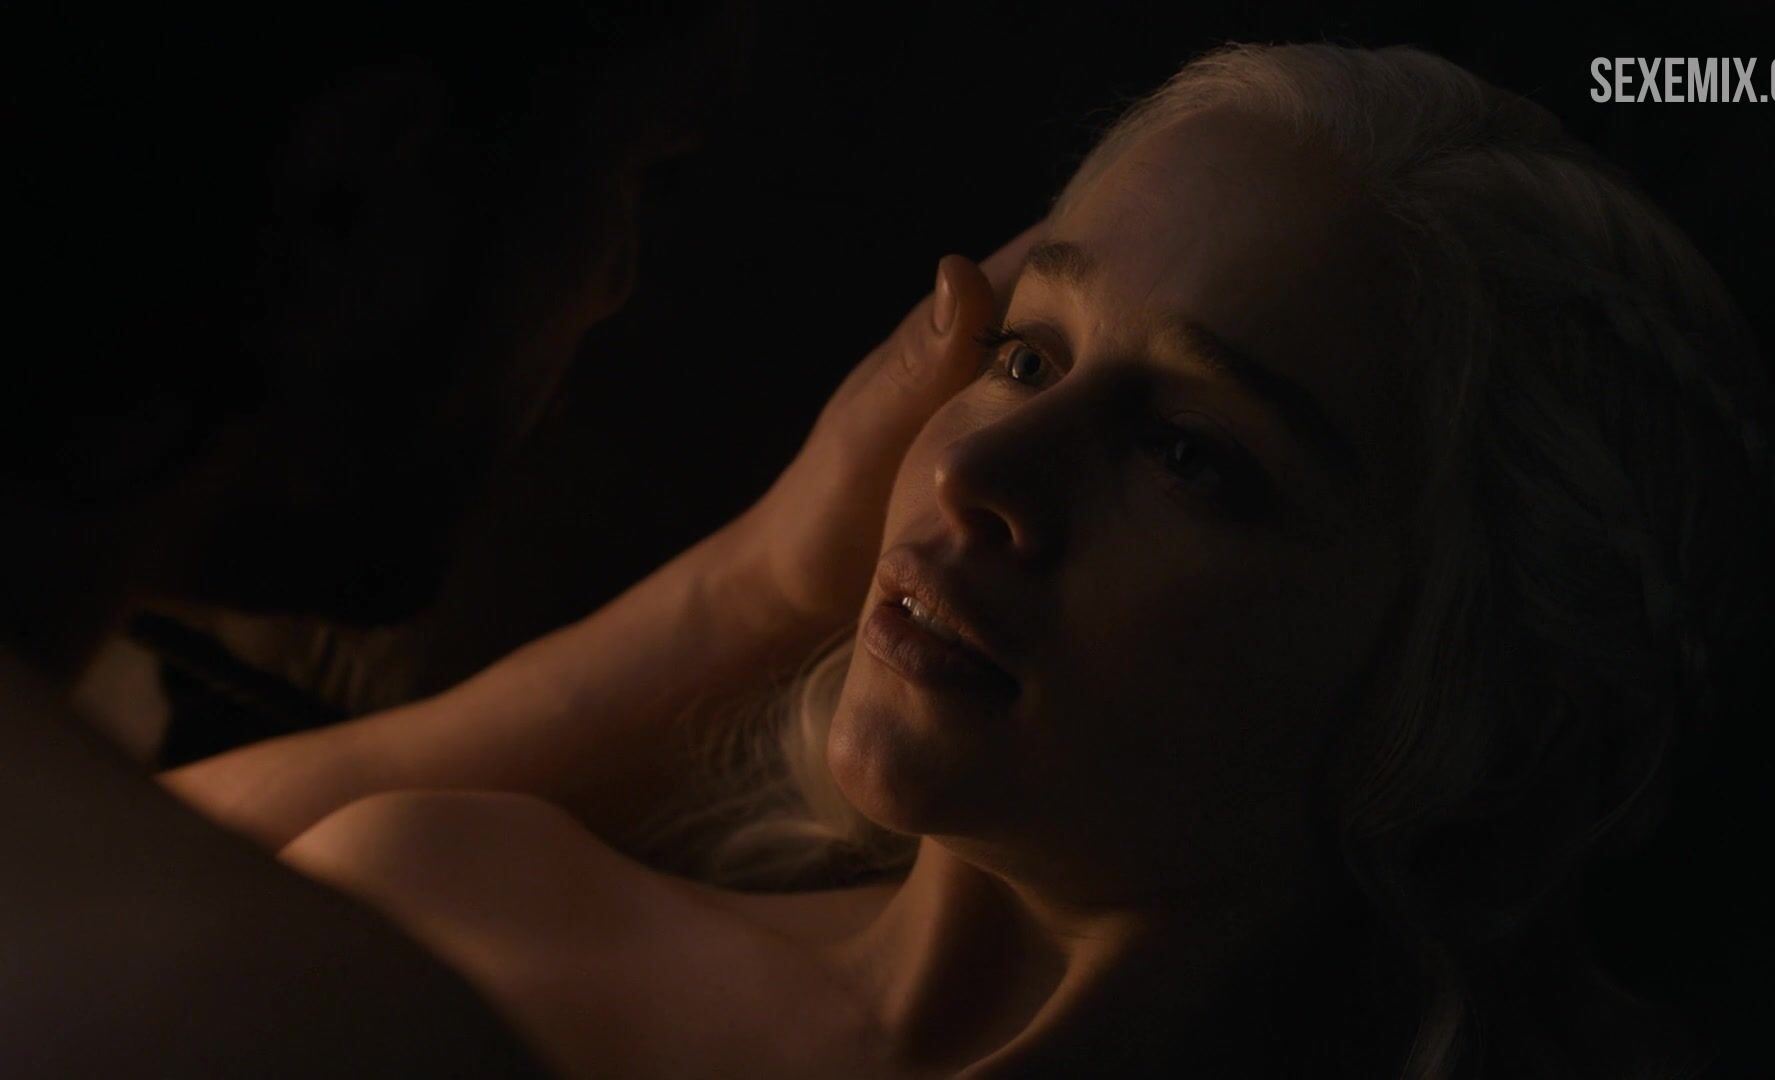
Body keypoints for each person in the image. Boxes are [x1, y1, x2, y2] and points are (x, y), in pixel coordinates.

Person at [165, 42, 1775, 1078]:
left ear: (1470, 691)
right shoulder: (466, 904)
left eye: (1189, 453)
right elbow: (100, 904)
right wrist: (764, 582)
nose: (975, 469)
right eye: (1024, 356)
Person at [0, 6, 1041, 1074]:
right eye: (634, 173)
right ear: (358, 189)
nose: (615, 285)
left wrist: (765, 586)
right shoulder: (306, 1016)